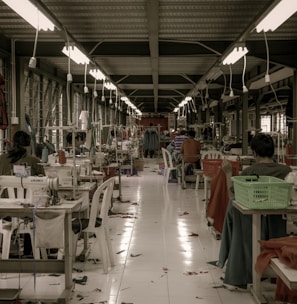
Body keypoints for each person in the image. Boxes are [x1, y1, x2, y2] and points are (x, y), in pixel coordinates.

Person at [217, 133, 292, 290]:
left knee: (231, 212)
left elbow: (233, 197)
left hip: (251, 224)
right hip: (279, 223)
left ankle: (226, 260)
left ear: (254, 153)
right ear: (273, 151)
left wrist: (228, 173)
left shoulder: (250, 172)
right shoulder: (286, 171)